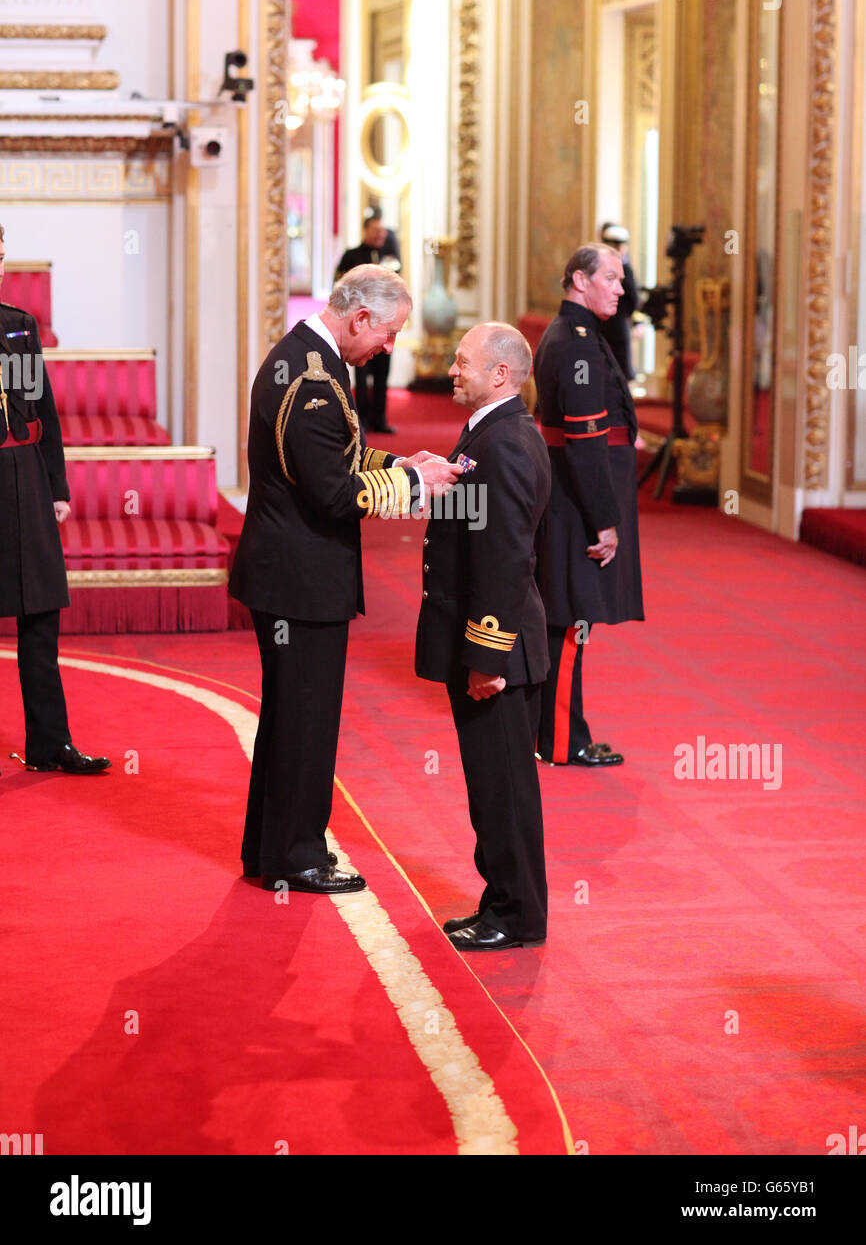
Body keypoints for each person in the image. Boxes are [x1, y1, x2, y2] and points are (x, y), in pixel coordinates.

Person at [230, 265, 460, 895]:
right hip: (299, 580)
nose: (388, 347)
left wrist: (399, 462)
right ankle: (296, 856)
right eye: (387, 334)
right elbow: (334, 492)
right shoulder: (310, 377)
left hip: (290, 574)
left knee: (289, 716)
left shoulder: (312, 359)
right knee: (305, 719)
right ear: (361, 318)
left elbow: (339, 452)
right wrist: (416, 485)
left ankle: (269, 847)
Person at [415, 323, 550, 951]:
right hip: (487, 641)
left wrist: (486, 657)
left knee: (502, 788)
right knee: (491, 785)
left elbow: (504, 557)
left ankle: (515, 915)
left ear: (500, 374)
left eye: (463, 362)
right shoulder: (488, 432)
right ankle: (501, 902)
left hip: (497, 651)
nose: (451, 370)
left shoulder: (505, 444)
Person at [0, 223, 110, 775]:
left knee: (40, 616)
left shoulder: (17, 329)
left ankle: (49, 743)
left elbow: (40, 409)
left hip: (23, 477)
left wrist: (56, 486)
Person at [534, 244, 645, 767]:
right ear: (580, 280)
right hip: (579, 504)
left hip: (573, 496)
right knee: (573, 621)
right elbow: (583, 440)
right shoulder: (577, 343)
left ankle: (562, 732)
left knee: (571, 621)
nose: (621, 289)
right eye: (612, 278)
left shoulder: (577, 334)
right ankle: (562, 740)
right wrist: (605, 520)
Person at [334, 210, 401, 434]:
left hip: (385, 325)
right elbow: (340, 286)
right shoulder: (351, 255)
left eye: (383, 231)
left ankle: (379, 419)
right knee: (361, 376)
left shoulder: (390, 255)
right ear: (366, 231)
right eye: (376, 230)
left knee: (383, 374)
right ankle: (360, 419)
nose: (380, 234)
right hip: (360, 326)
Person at [598, 222, 641, 380]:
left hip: (602, 326)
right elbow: (634, 300)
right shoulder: (624, 268)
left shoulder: (597, 267)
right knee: (619, 376)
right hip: (618, 327)